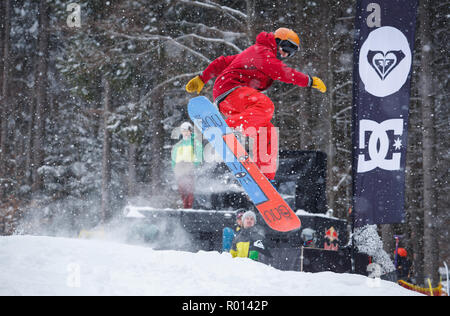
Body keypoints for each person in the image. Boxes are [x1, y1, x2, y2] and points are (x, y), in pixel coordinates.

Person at [185, 28, 326, 181]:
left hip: (236, 100)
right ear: (277, 41)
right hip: (230, 90)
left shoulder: (255, 52)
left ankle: (265, 177)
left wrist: (202, 78)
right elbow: (280, 71)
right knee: (265, 105)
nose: (285, 55)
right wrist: (308, 80)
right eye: (286, 49)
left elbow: (223, 62)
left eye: (290, 54)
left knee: (267, 130)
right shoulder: (262, 51)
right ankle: (228, 129)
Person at [171, 122, 203, 208]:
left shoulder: (195, 143)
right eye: (183, 131)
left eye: (187, 131)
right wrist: (174, 168)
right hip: (180, 169)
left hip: (189, 168)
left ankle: (189, 207)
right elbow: (174, 158)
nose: (185, 133)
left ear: (190, 131)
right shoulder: (178, 145)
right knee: (182, 190)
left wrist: (194, 165)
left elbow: (199, 155)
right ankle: (185, 206)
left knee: (189, 190)